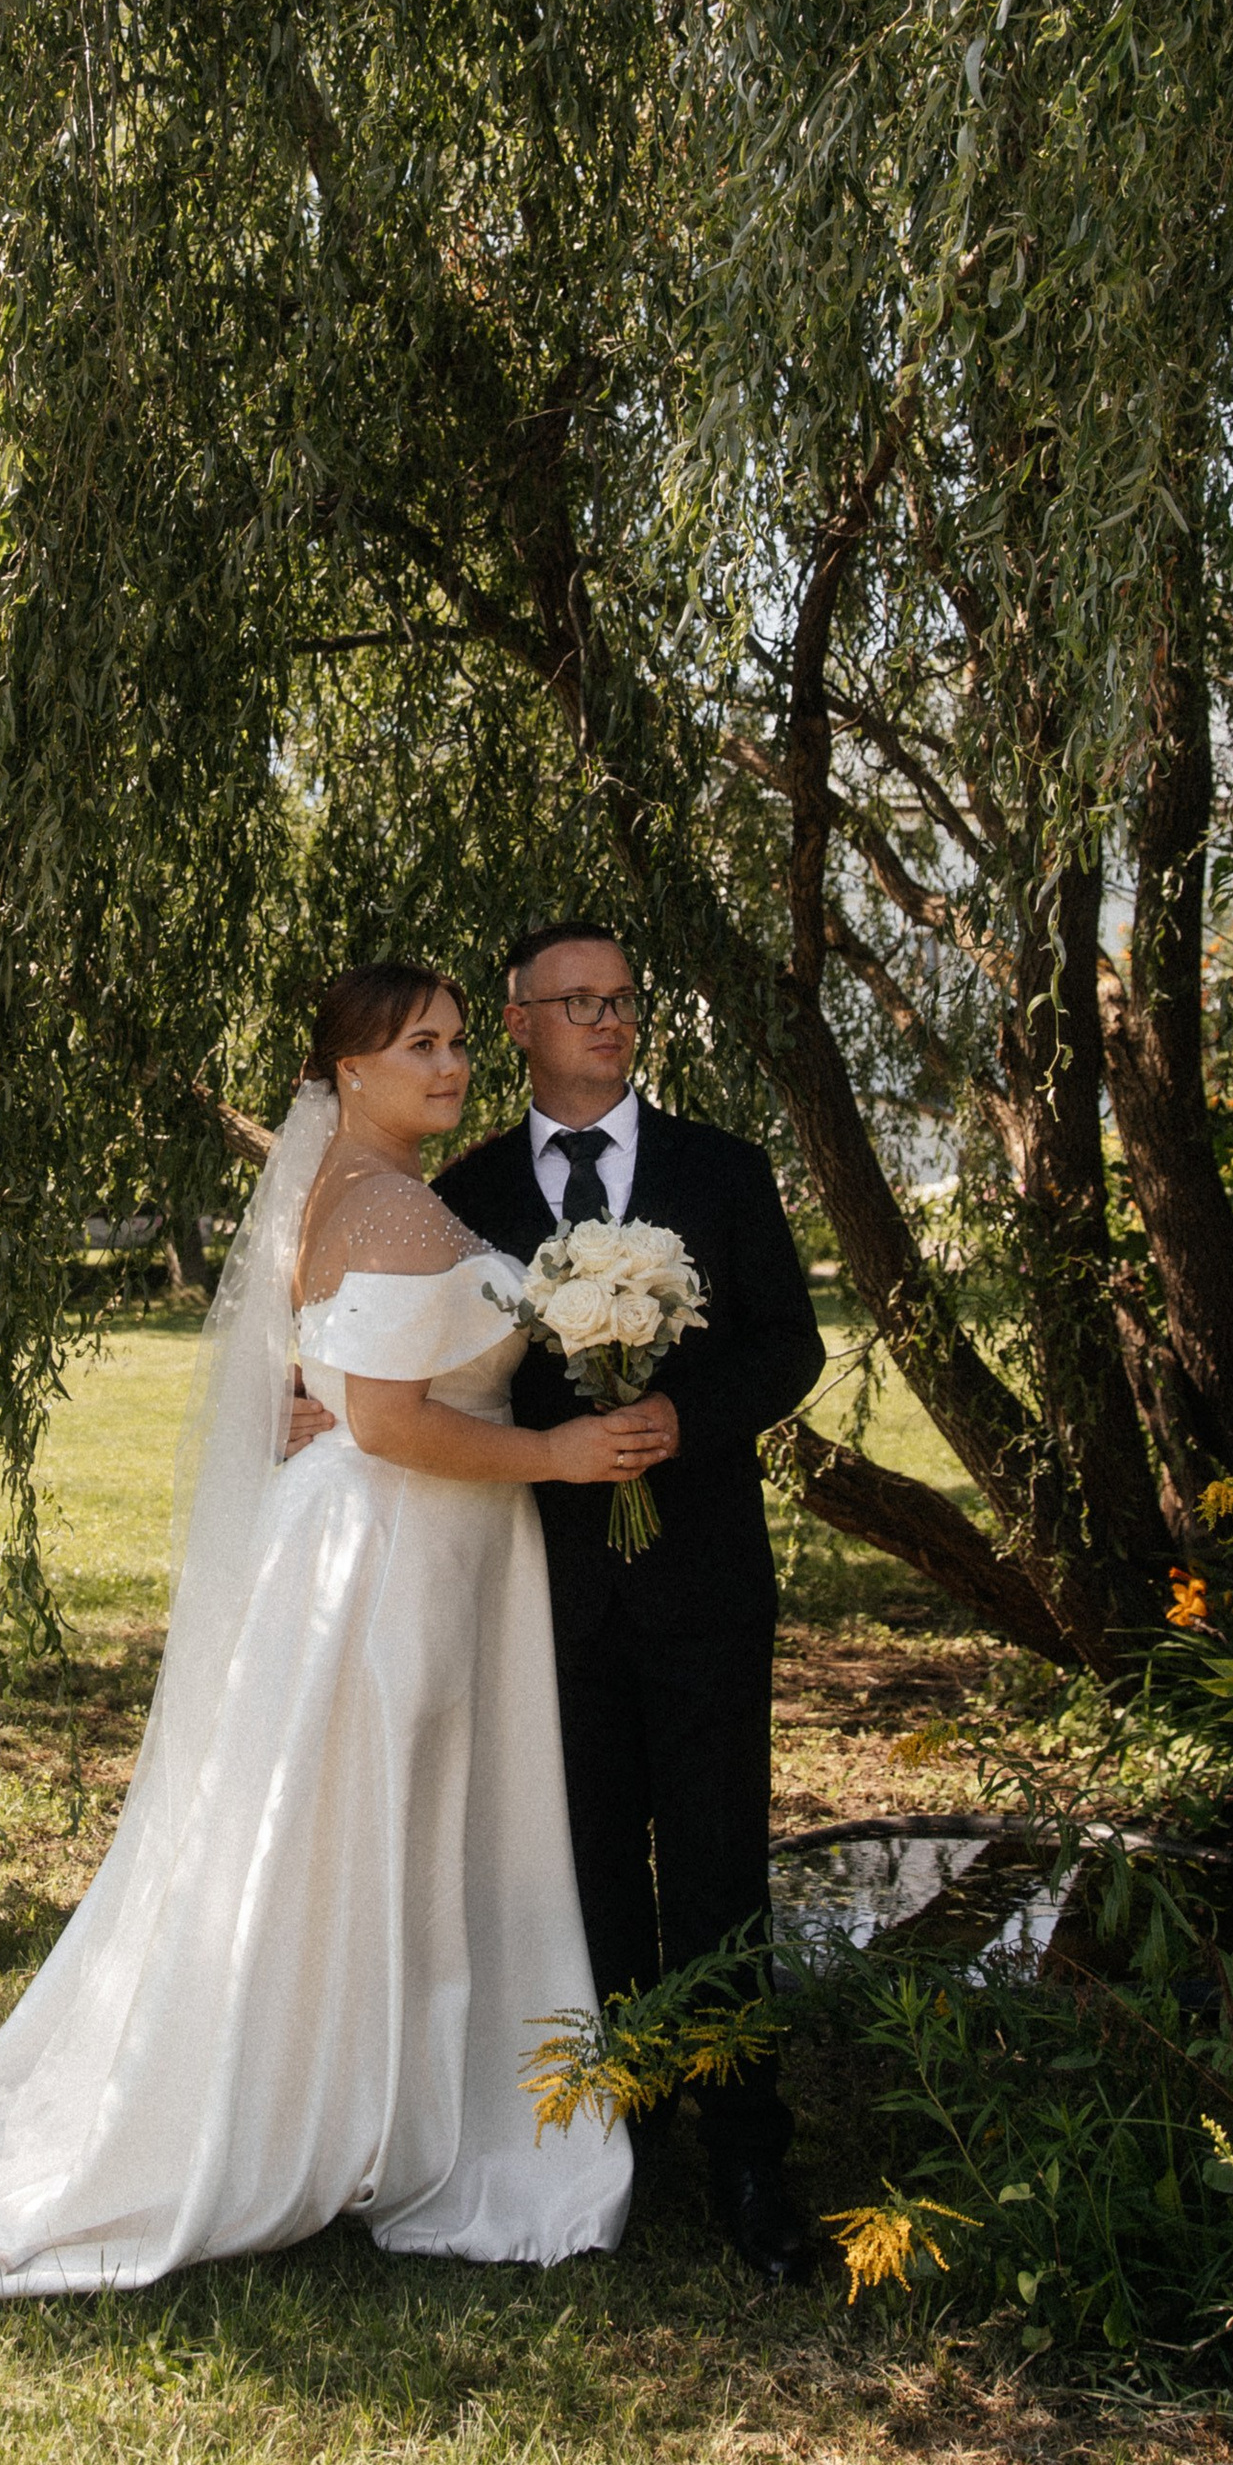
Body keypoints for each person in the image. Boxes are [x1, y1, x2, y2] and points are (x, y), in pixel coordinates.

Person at [0, 962, 659, 2295]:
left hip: (387, 1539)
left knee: (358, 1826)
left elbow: (332, 1377)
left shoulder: (342, 1191)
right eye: (422, 1044)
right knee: (374, 1827)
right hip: (397, 1546)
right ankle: (348, 2110)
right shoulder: (395, 1210)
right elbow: (398, 1420)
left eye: (462, 1042)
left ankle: (369, 2088)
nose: (452, 1065)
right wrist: (570, 1449)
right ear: (349, 1070)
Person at [431, 922, 829, 2285]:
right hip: (547, 1586)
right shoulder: (469, 1191)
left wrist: (679, 1413)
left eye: (624, 998)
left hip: (708, 1580)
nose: (607, 1020)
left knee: (720, 1871)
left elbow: (791, 1345)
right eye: (577, 1001)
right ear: (519, 1020)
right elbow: (440, 1373)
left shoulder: (722, 1170)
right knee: (588, 1872)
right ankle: (619, 2129)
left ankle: (748, 2157)